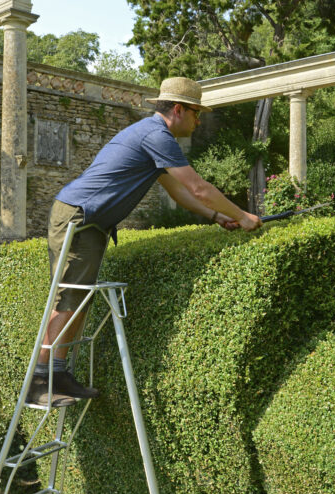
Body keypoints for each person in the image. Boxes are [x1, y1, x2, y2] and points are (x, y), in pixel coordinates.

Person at [26, 77, 263, 406]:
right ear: (178, 110)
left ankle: (59, 373)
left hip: (92, 221)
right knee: (68, 299)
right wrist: (245, 215)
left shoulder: (154, 138)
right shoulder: (156, 135)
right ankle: (39, 381)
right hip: (79, 218)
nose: (199, 121)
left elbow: (178, 192)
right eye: (197, 113)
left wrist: (216, 217)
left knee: (80, 300)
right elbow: (197, 187)